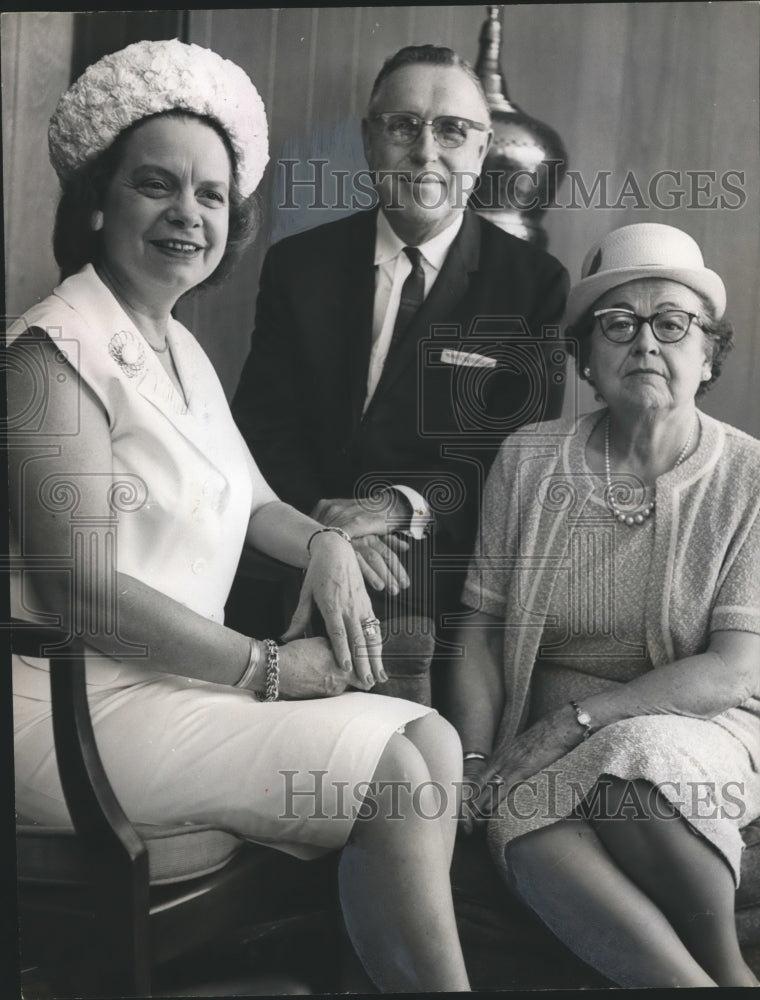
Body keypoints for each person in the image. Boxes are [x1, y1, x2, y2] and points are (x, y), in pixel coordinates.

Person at [7, 39, 471, 993]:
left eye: (211, 196)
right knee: (399, 760)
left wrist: (329, 544)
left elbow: (256, 500)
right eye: (157, 186)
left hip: (162, 692)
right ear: (99, 201)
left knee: (430, 736)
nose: (188, 215)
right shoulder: (47, 355)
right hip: (69, 717)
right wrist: (268, 670)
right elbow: (77, 591)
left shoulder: (174, 344)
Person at [451, 222, 760, 987]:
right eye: (617, 325)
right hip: (545, 739)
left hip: (700, 726)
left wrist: (575, 724)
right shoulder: (528, 458)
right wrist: (477, 761)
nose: (644, 344)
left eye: (672, 324)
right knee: (522, 823)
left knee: (635, 765)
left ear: (707, 352)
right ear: (587, 359)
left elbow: (733, 668)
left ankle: (724, 966)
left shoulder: (750, 474)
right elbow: (481, 636)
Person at [231, 44, 569, 651]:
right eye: (403, 125)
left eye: (452, 130)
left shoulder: (533, 285)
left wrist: (397, 507)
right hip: (293, 552)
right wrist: (324, 526)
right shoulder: (297, 267)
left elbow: (513, 455)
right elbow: (262, 427)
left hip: (432, 577)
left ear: (483, 148)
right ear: (369, 140)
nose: (425, 151)